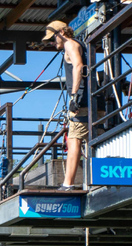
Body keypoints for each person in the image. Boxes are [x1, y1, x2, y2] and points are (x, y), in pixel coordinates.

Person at [42, 20, 89, 191]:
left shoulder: (71, 44)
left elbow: (78, 66)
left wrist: (74, 97)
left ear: (61, 32)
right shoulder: (79, 44)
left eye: (53, 38)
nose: (53, 42)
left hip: (81, 102)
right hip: (88, 100)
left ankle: (68, 184)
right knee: (90, 141)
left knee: (74, 140)